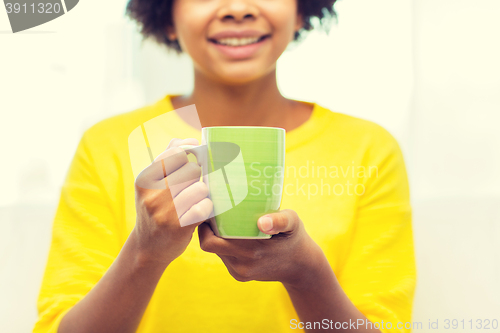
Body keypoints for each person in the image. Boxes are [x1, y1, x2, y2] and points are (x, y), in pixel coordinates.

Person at [33, 0, 416, 332]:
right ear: (167, 14)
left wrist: (307, 275)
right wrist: (144, 252)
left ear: (301, 9)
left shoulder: (369, 150)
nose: (238, 8)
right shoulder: (107, 146)